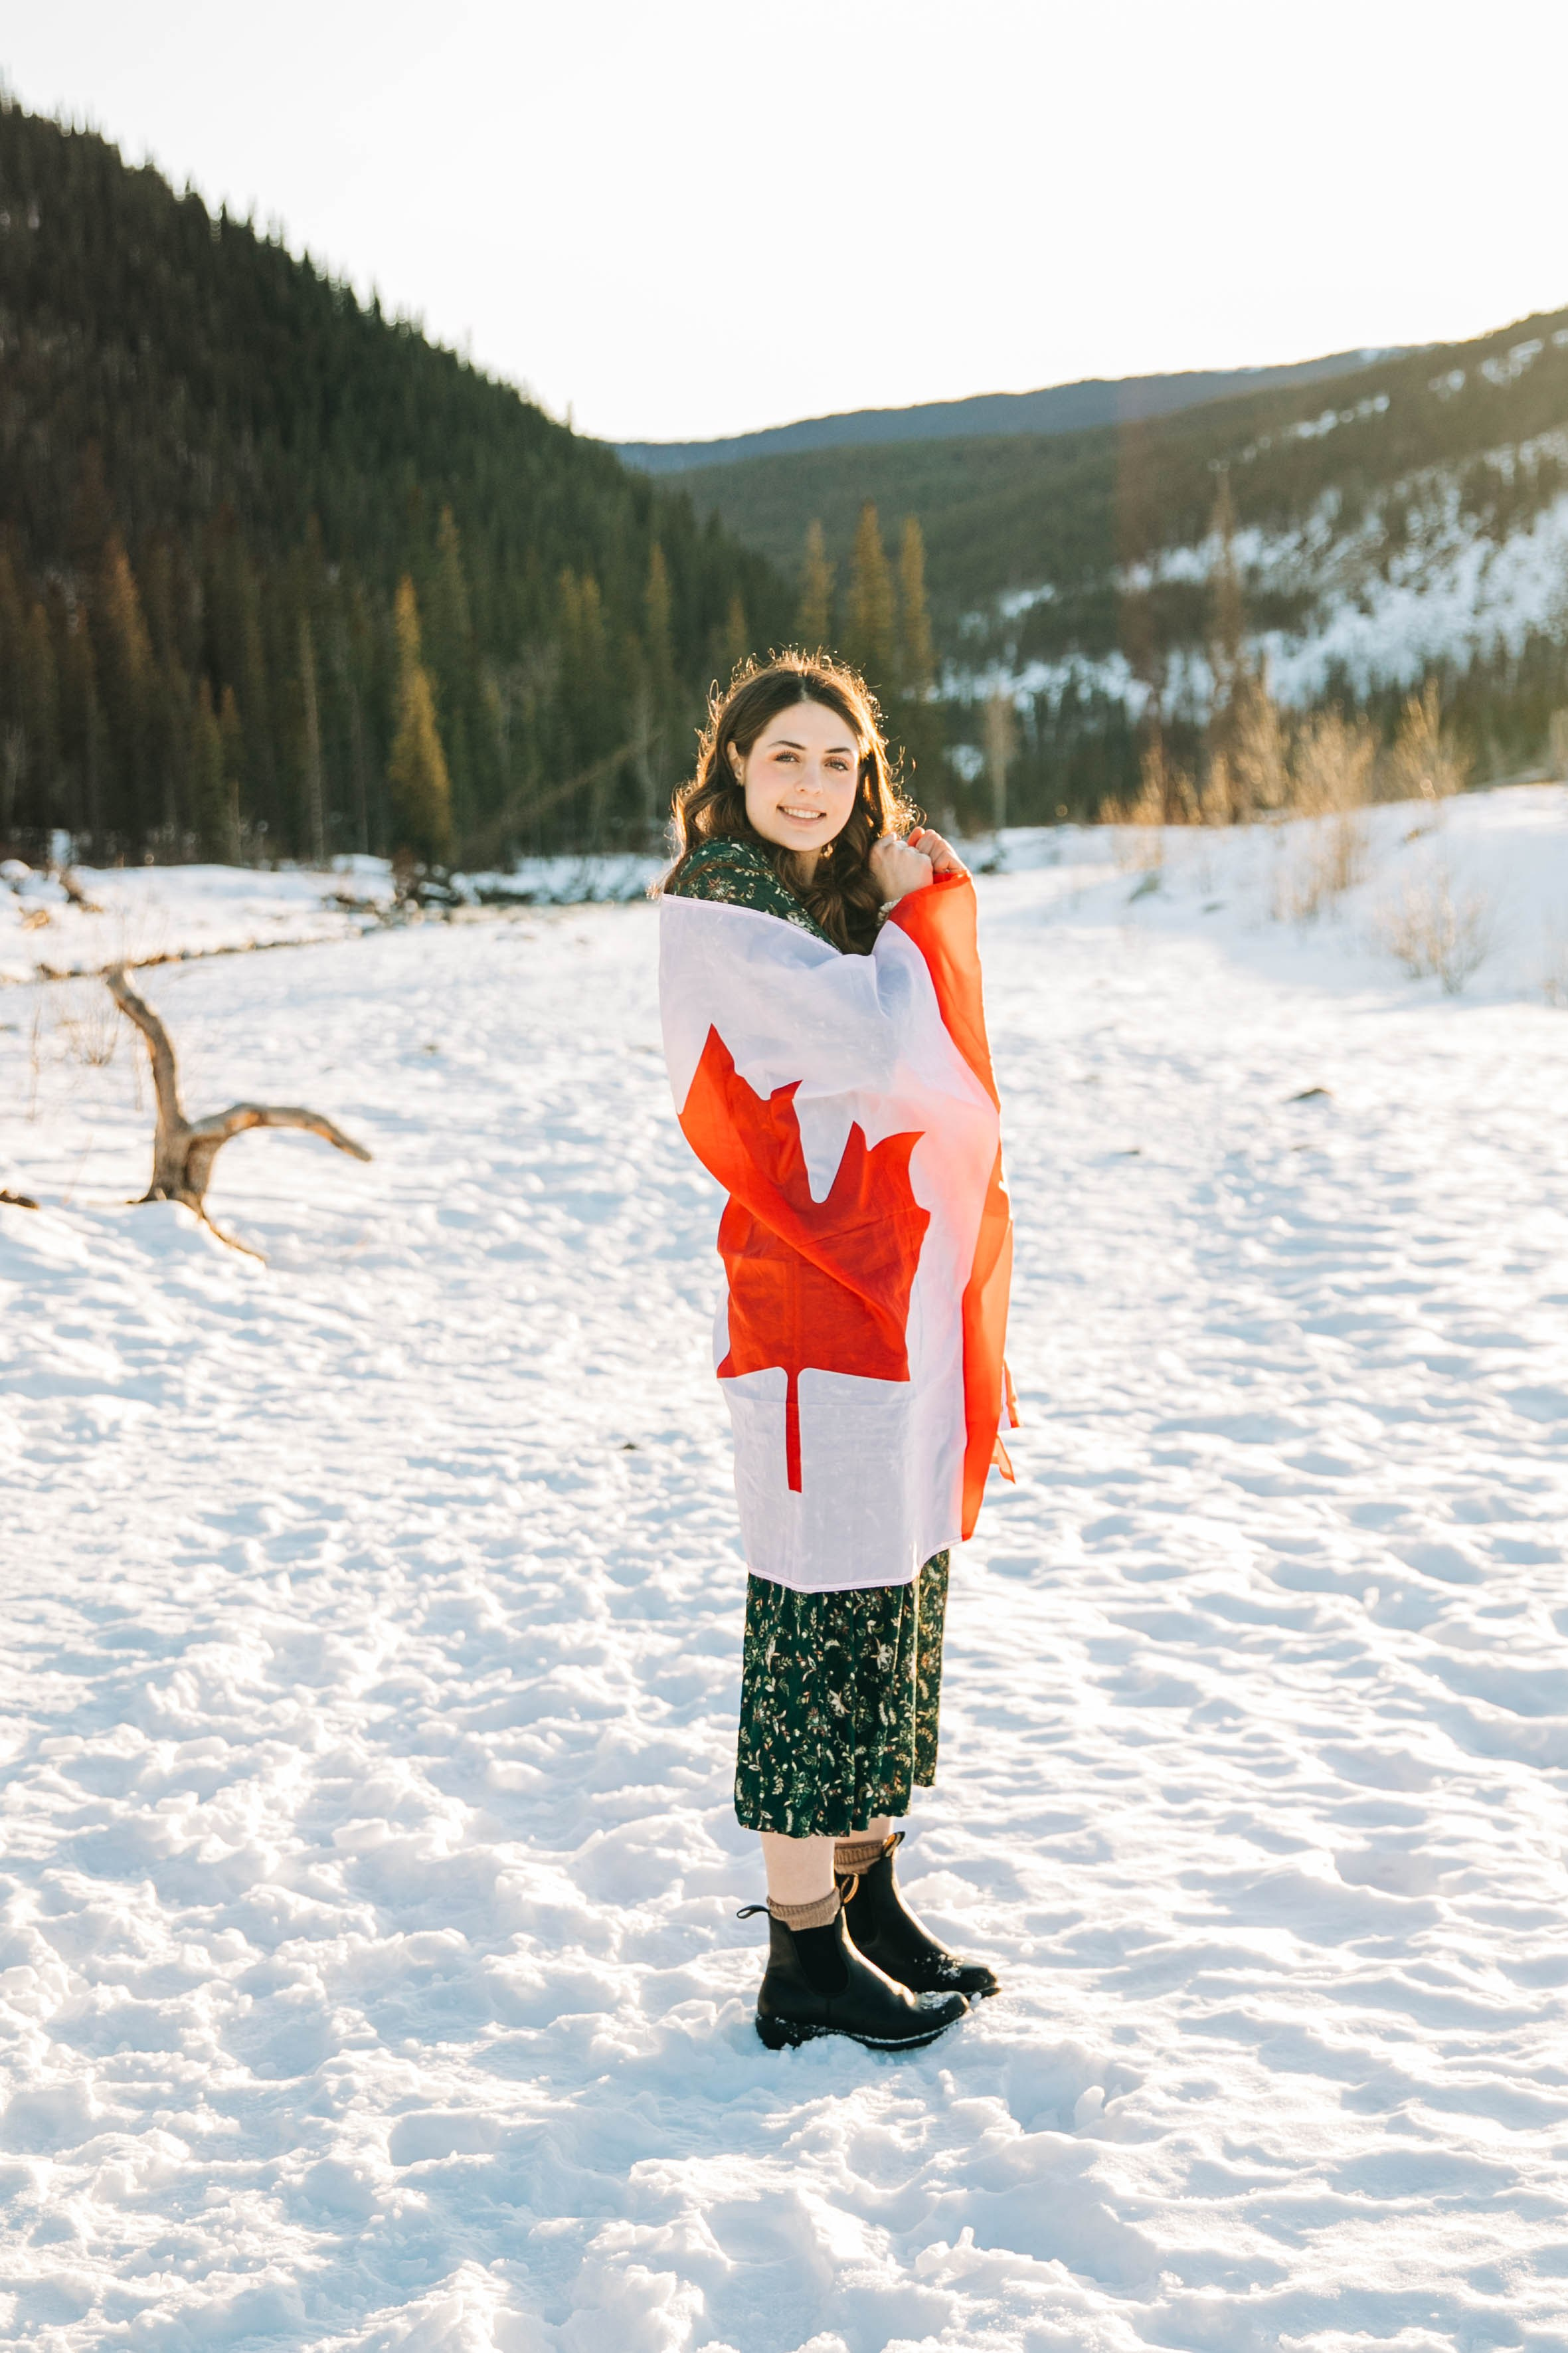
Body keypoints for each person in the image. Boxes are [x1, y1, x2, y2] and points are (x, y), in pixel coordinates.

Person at [658, 652, 1015, 2052]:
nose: (812, 784)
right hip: (809, 1314)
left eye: (838, 762)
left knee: (889, 1596)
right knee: (812, 1616)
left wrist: (900, 902)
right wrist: (925, 911)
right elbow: (878, 1052)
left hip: (892, 1293)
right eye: (784, 758)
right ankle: (801, 1949)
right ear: (734, 771)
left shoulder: (828, 901)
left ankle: (867, 1900)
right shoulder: (724, 910)